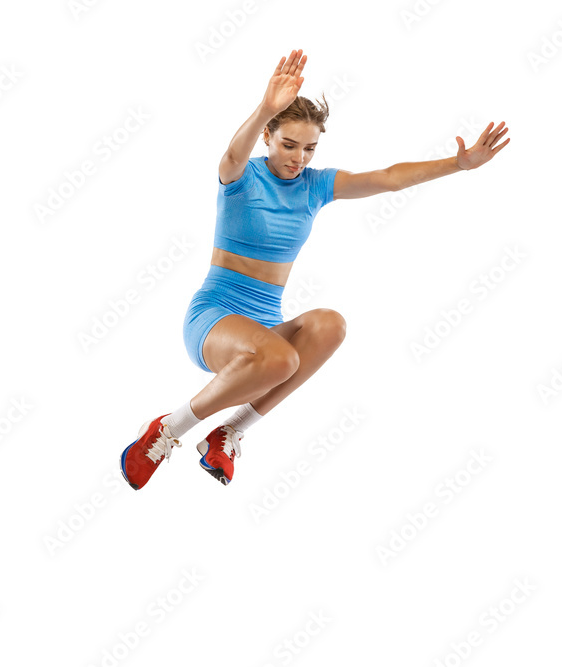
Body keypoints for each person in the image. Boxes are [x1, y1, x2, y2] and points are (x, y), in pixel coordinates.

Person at [120, 48, 509, 489]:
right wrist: (265, 106)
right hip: (216, 317)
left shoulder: (316, 186)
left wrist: (457, 165)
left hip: (266, 324)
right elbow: (231, 154)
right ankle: (167, 430)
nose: (298, 158)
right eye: (288, 145)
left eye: (309, 148)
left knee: (330, 325)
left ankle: (229, 432)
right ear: (268, 136)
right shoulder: (242, 177)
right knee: (281, 358)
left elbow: (388, 176)